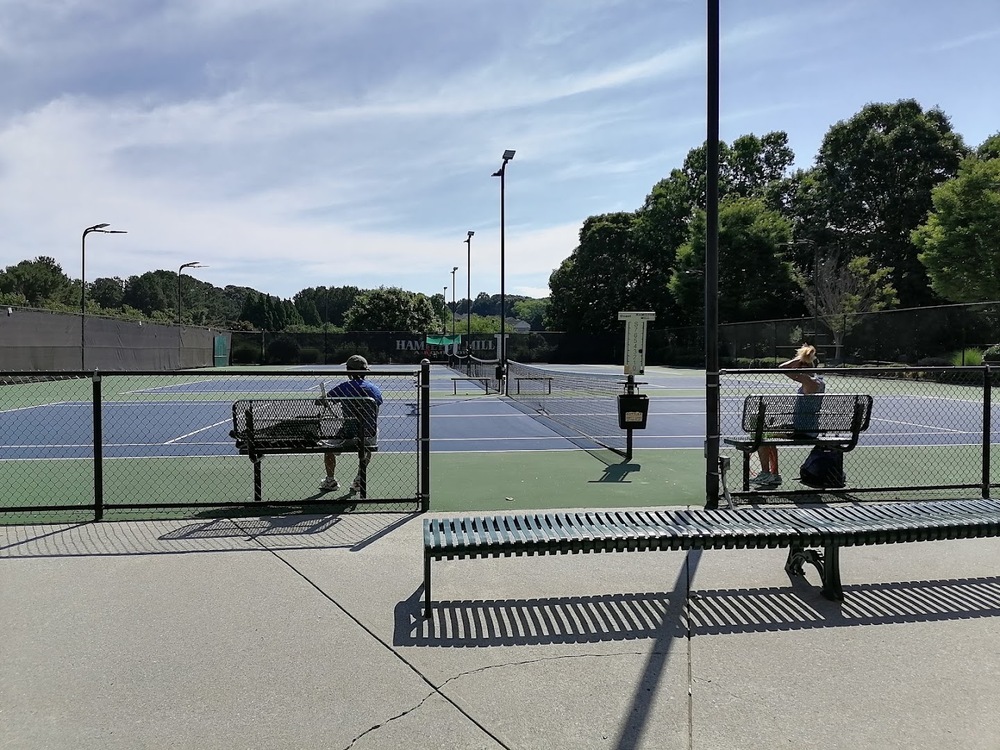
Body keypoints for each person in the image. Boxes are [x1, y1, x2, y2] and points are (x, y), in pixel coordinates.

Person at [751, 344, 825, 488]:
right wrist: (803, 359)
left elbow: (782, 368)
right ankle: (773, 474)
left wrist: (799, 359)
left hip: (802, 430)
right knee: (768, 433)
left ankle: (768, 473)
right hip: (808, 428)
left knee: (761, 435)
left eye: (801, 364)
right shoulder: (817, 382)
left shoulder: (808, 381)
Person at [319, 355, 383, 493]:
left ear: (349, 371)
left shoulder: (344, 387)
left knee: (327, 447)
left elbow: (323, 401)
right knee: (368, 448)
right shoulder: (374, 389)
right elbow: (377, 405)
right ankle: (359, 479)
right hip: (368, 434)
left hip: (348, 433)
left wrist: (323, 400)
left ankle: (330, 481)